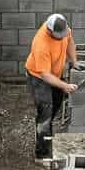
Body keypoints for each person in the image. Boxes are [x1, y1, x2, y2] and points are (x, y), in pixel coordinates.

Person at [25, 13, 78, 159]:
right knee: (46, 112)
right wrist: (65, 86)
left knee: (56, 104)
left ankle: (46, 128)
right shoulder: (41, 43)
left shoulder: (64, 28)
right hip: (39, 78)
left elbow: (70, 42)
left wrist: (74, 61)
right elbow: (45, 75)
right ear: (50, 32)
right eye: (58, 36)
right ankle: (42, 154)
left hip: (54, 73)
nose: (62, 38)